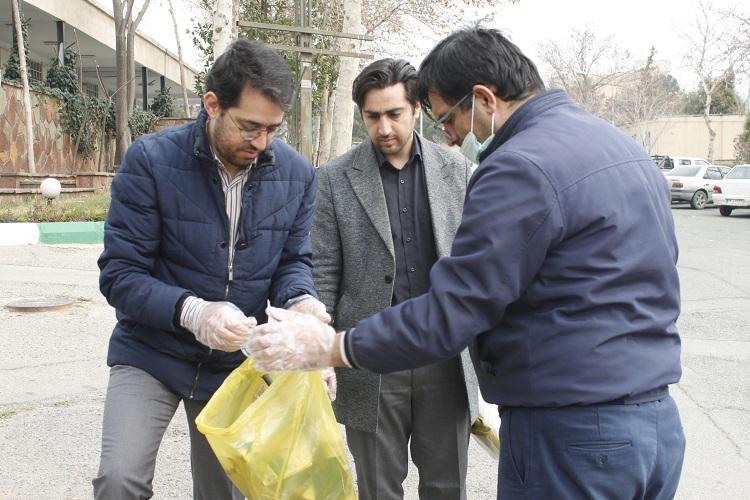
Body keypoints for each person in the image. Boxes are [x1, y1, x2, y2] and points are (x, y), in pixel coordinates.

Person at [247, 27, 686, 499]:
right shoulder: (623, 149)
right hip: (653, 423)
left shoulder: (518, 166)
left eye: (449, 118)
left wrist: (333, 348)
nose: (454, 135)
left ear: (483, 99)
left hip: (572, 433)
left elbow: (458, 307)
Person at [94, 39, 328, 499]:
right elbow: (120, 275)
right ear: (212, 104)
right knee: (120, 479)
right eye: (249, 127)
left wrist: (302, 302)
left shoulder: (297, 175)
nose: (261, 143)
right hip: (151, 351)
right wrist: (194, 311)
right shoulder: (151, 161)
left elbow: (291, 263)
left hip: (234, 362)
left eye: (273, 129)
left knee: (228, 490)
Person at [312, 58, 478, 500]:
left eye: (394, 114)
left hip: (445, 358)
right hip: (370, 360)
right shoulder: (333, 179)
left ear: (417, 109)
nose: (384, 128)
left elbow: (477, 267)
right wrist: (323, 349)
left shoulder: (458, 172)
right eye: (373, 117)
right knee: (377, 490)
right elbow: (323, 270)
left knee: (447, 488)